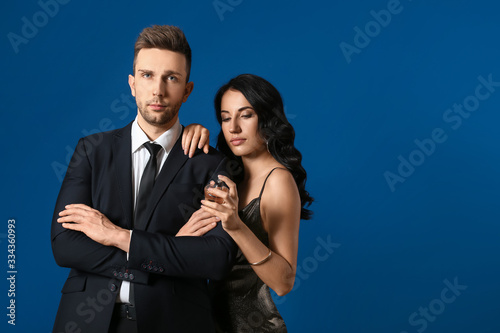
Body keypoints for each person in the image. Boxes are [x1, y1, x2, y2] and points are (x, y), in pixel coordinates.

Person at [51, 25, 237, 333]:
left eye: (171, 78)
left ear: (187, 90)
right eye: (148, 75)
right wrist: (168, 253)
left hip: (174, 322)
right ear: (132, 83)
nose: (158, 90)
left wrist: (117, 236)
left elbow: (215, 258)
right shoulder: (92, 150)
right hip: (85, 322)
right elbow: (65, 245)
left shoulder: (211, 164)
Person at [178, 74, 313, 332]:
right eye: (226, 117)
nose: (233, 128)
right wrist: (191, 130)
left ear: (267, 118)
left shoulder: (278, 181)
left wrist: (236, 226)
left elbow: (284, 282)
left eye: (246, 115)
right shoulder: (229, 178)